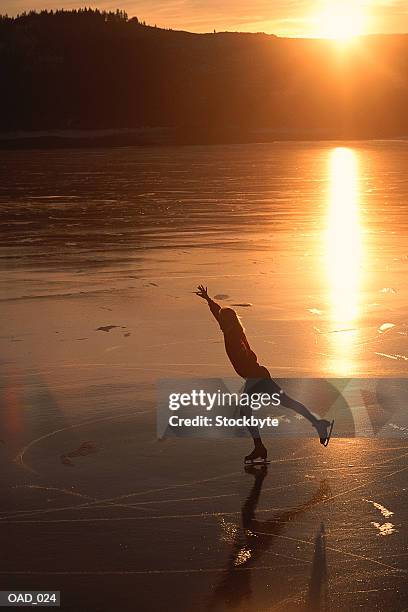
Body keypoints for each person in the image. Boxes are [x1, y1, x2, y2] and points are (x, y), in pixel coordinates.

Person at [195, 285, 334, 463]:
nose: (219, 322)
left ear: (227, 322)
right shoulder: (229, 329)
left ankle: (262, 446)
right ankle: (317, 425)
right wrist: (208, 300)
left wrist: (249, 372)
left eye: (222, 320)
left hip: (256, 377)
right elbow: (218, 313)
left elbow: (246, 355)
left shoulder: (234, 335)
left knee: (250, 411)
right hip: (257, 375)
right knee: (285, 403)